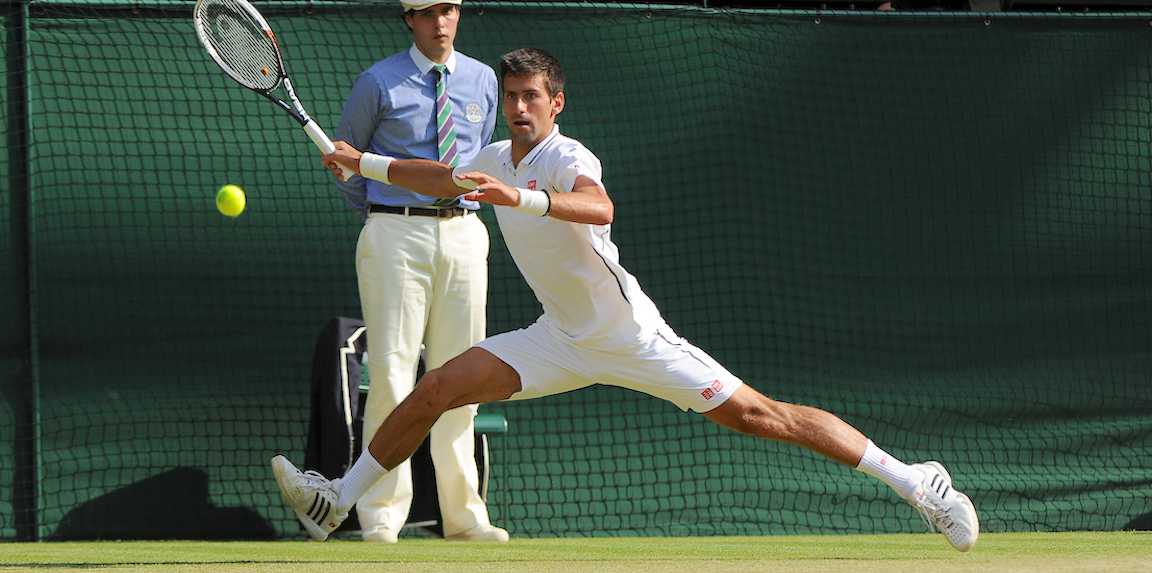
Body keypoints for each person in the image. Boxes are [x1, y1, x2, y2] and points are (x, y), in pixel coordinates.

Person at [276, 48, 980, 551]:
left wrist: (517, 196)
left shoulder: (568, 156)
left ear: (555, 104)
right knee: (438, 386)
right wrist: (359, 160)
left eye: (532, 97)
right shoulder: (490, 158)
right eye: (511, 95)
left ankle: (919, 482)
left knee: (762, 415)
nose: (519, 107)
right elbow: (435, 177)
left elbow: (598, 208)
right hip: (556, 339)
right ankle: (338, 498)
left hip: (632, 336)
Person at [327, 0, 506, 543]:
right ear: (409, 19)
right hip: (392, 237)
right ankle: (381, 517)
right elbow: (348, 167)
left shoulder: (482, 79)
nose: (440, 22)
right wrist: (387, 216)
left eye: (449, 10)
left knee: (461, 376)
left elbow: (482, 162)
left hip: (466, 235)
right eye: (428, 13)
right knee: (392, 377)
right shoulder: (376, 81)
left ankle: (465, 518)